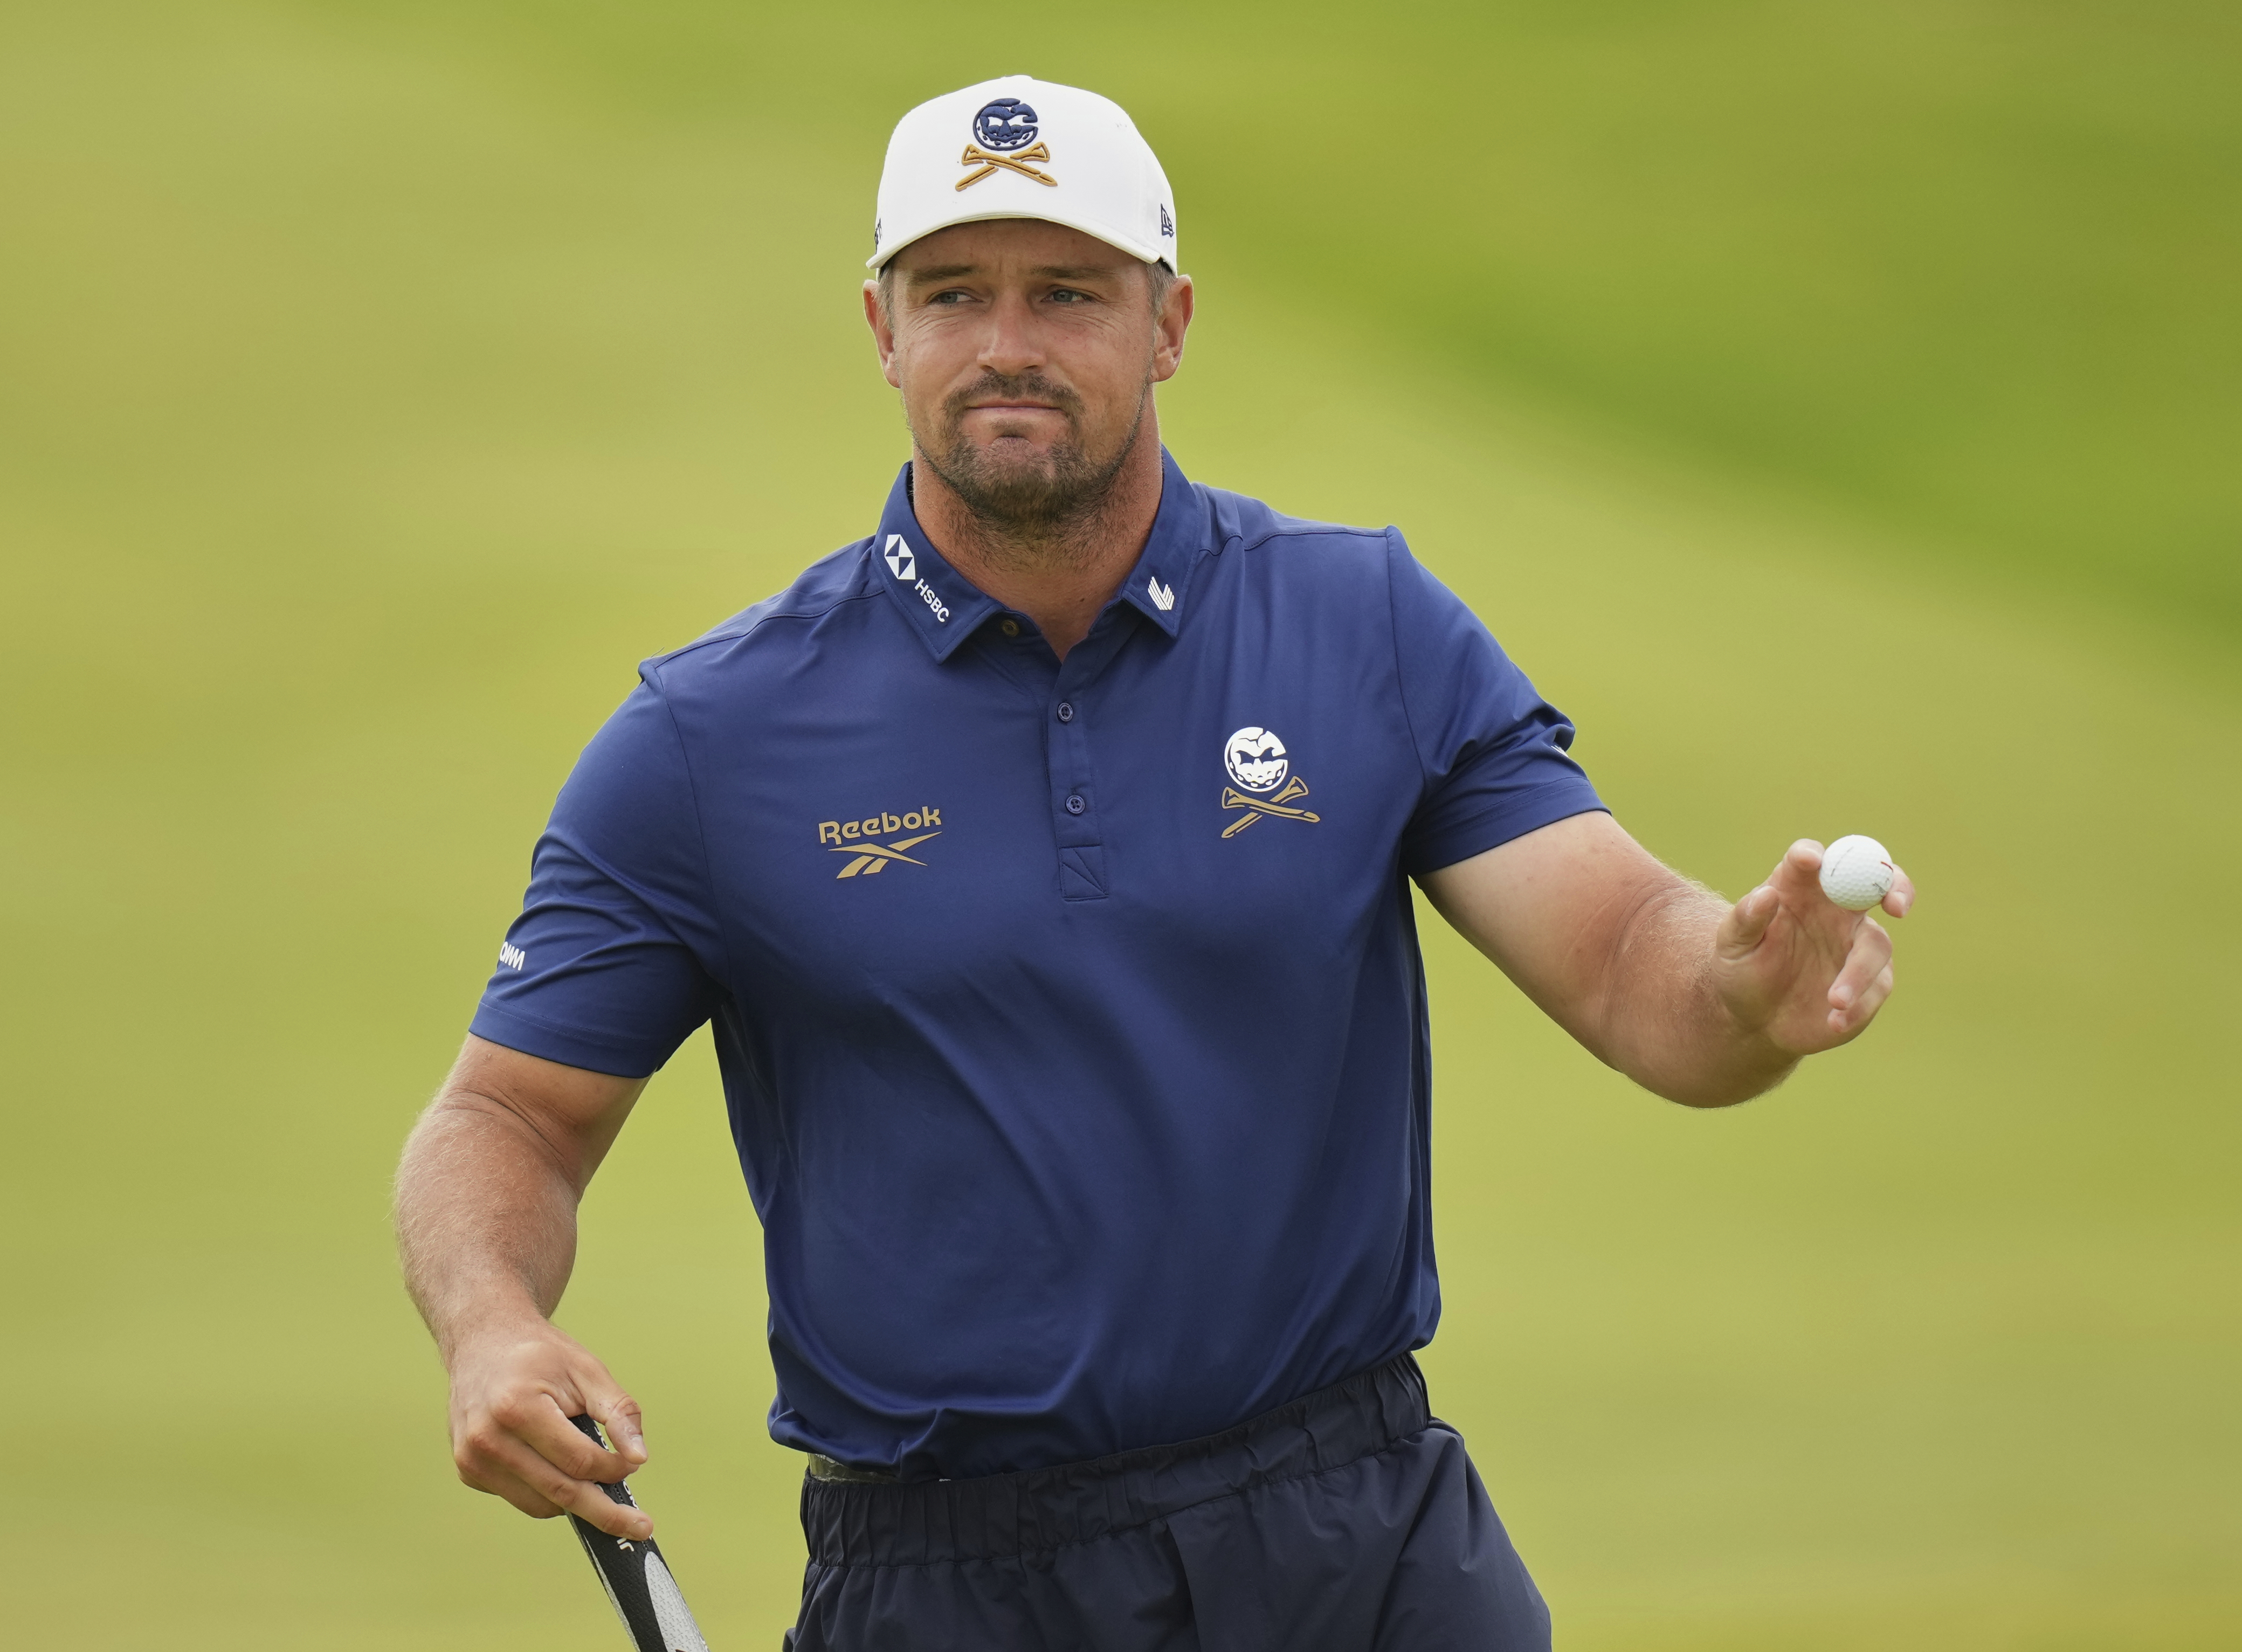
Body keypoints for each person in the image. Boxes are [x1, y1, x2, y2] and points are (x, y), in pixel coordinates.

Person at [394, 73, 1914, 1651]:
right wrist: (491, 1325)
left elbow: (1626, 962)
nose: (1006, 344)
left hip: (1361, 1538)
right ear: (881, 327)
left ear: (1169, 320)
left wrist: (1739, 990)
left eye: (1068, 293)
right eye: (952, 293)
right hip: (950, 1581)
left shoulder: (1365, 626)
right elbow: (506, 1115)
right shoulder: (712, 737)